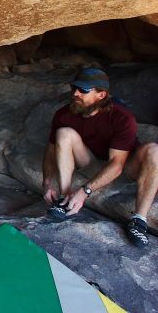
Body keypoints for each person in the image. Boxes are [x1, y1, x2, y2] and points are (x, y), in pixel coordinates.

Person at [41, 67, 158, 247]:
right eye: (74, 88)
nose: (76, 93)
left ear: (101, 95)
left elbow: (117, 164)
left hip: (127, 167)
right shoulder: (64, 114)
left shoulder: (122, 117)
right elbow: (50, 151)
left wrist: (84, 192)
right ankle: (63, 200)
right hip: (92, 162)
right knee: (63, 133)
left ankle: (138, 220)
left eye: (83, 90)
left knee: (154, 151)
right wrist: (47, 182)